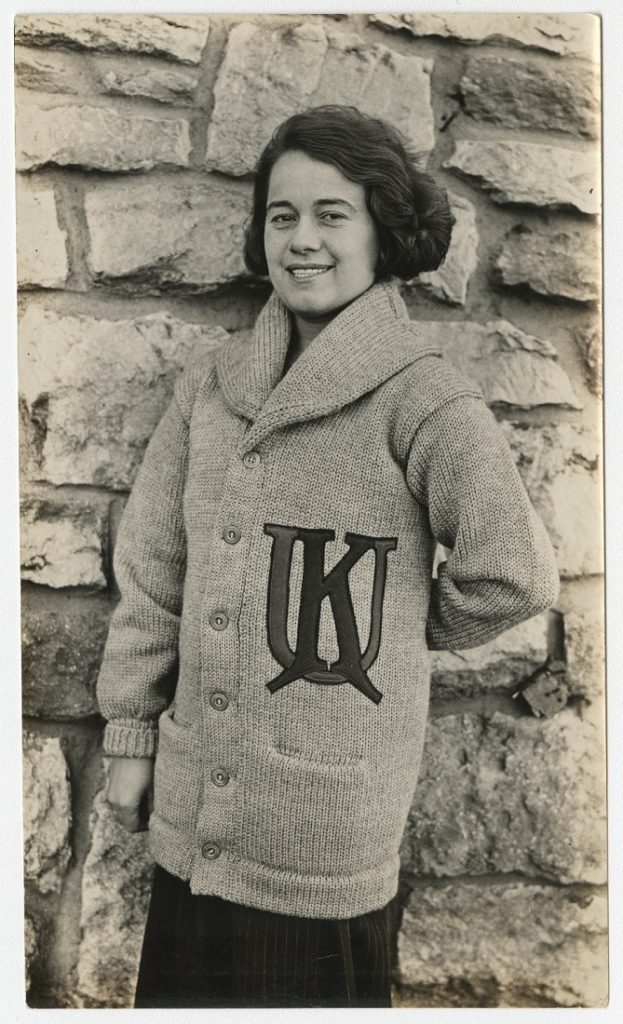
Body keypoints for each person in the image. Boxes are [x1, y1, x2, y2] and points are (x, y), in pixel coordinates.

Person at [96, 105, 560, 1009]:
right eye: (282, 215)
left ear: (383, 231)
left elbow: (512, 571)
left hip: (323, 835)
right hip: (194, 817)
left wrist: (391, 621)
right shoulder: (213, 386)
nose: (302, 240)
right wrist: (130, 732)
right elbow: (155, 569)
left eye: (331, 214)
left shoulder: (422, 400)